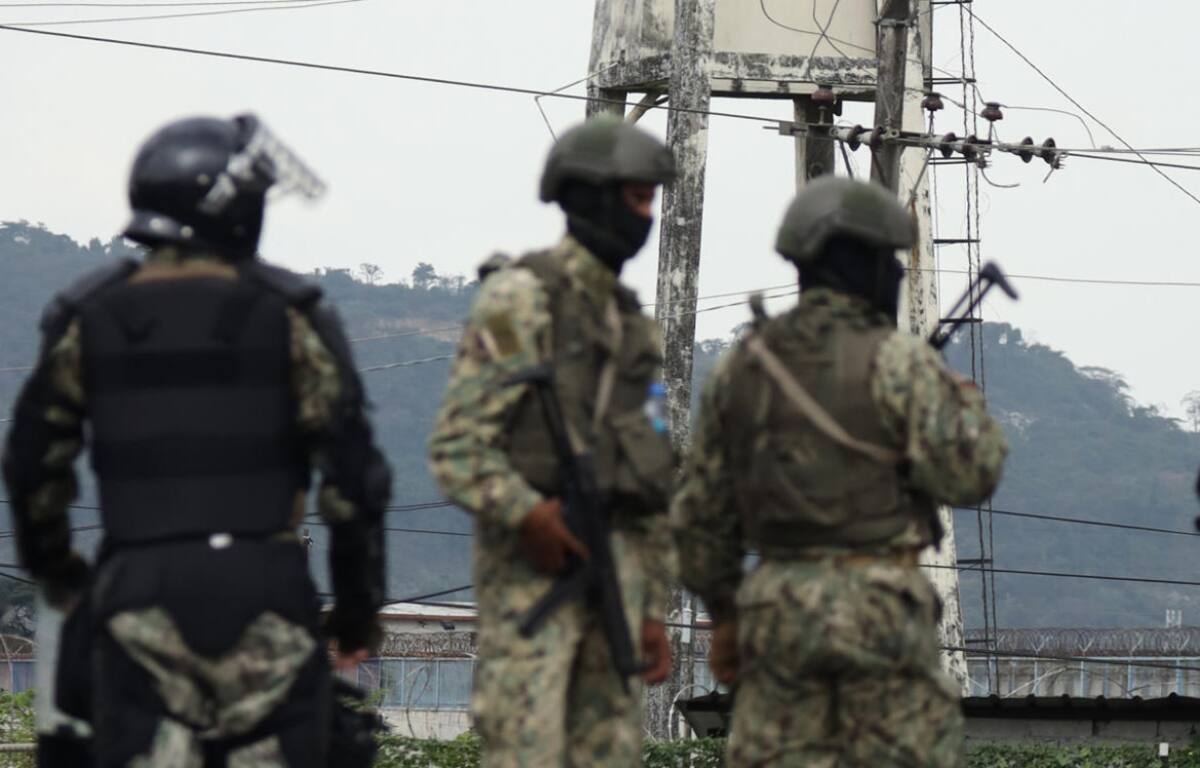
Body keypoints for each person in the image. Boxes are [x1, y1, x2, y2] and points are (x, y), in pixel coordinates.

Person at [1, 114, 390, 767]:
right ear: (232, 208)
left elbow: (32, 463)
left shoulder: (87, 314)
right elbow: (356, 482)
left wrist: (61, 574)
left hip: (136, 590)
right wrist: (356, 611)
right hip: (262, 588)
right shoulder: (294, 315)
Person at [672, 176, 1009, 767]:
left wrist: (726, 618)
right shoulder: (900, 361)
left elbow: (699, 525)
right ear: (866, 264)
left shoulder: (745, 368)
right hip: (882, 613)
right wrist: (963, 402)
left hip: (777, 615)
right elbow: (971, 476)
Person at [428, 115, 677, 767]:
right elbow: (458, 449)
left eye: (651, 201)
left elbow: (650, 482)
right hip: (531, 585)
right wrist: (528, 513)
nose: (645, 218)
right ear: (590, 197)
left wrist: (653, 606)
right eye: (635, 199)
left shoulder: (633, 331)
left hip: (616, 590)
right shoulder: (519, 300)